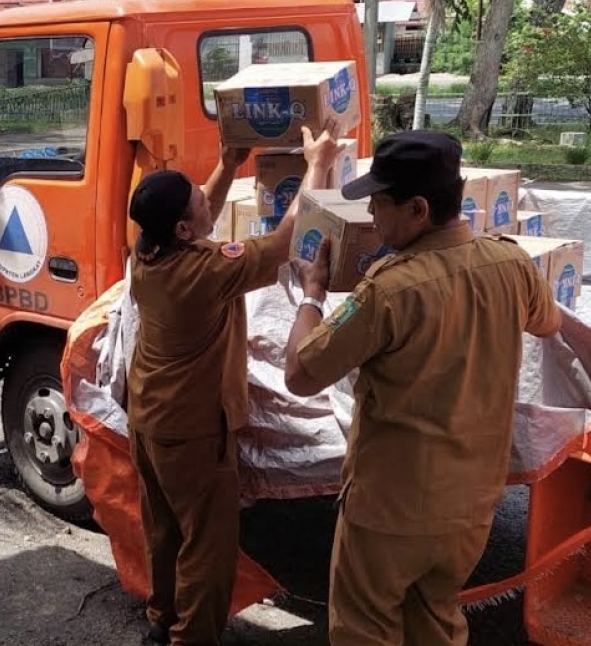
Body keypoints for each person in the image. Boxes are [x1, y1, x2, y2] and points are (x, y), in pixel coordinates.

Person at [283, 131, 570, 646]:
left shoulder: (389, 290)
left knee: (365, 630)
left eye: (379, 204)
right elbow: (548, 323)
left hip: (391, 509)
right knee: (436, 621)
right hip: (470, 507)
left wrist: (312, 295)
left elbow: (301, 374)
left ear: (417, 209)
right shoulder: (511, 265)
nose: (371, 216)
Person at [127, 124, 339, 646]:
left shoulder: (146, 253)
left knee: (164, 528)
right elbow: (285, 240)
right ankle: (190, 638)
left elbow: (195, 219)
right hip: (193, 429)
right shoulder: (205, 272)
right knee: (207, 543)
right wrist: (317, 164)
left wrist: (229, 162)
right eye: (200, 199)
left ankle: (162, 618)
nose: (206, 197)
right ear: (183, 228)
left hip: (148, 417)